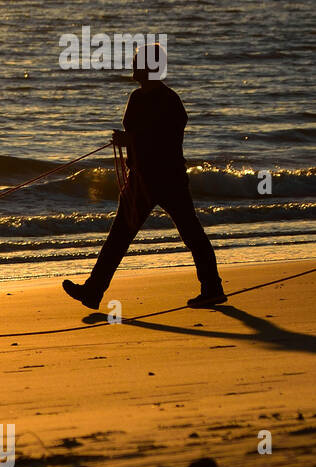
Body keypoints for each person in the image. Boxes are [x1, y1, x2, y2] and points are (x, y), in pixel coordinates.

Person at [62, 44, 226, 310]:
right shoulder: (137, 98)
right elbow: (144, 135)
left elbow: (166, 140)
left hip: (166, 177)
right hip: (142, 178)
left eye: (138, 62)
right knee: (121, 236)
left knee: (190, 232)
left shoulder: (170, 100)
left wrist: (131, 140)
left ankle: (212, 287)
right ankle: (93, 291)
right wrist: (127, 141)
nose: (134, 66)